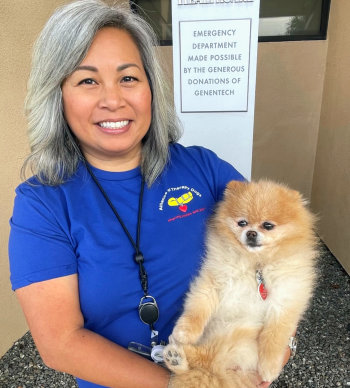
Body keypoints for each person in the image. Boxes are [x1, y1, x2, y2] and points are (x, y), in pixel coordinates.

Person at [8, 1, 291, 387]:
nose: (113, 99)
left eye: (128, 78)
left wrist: (277, 337)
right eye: (87, 80)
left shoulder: (203, 169)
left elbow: (280, 249)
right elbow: (60, 342)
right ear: (58, 95)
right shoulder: (42, 205)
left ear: (151, 88)